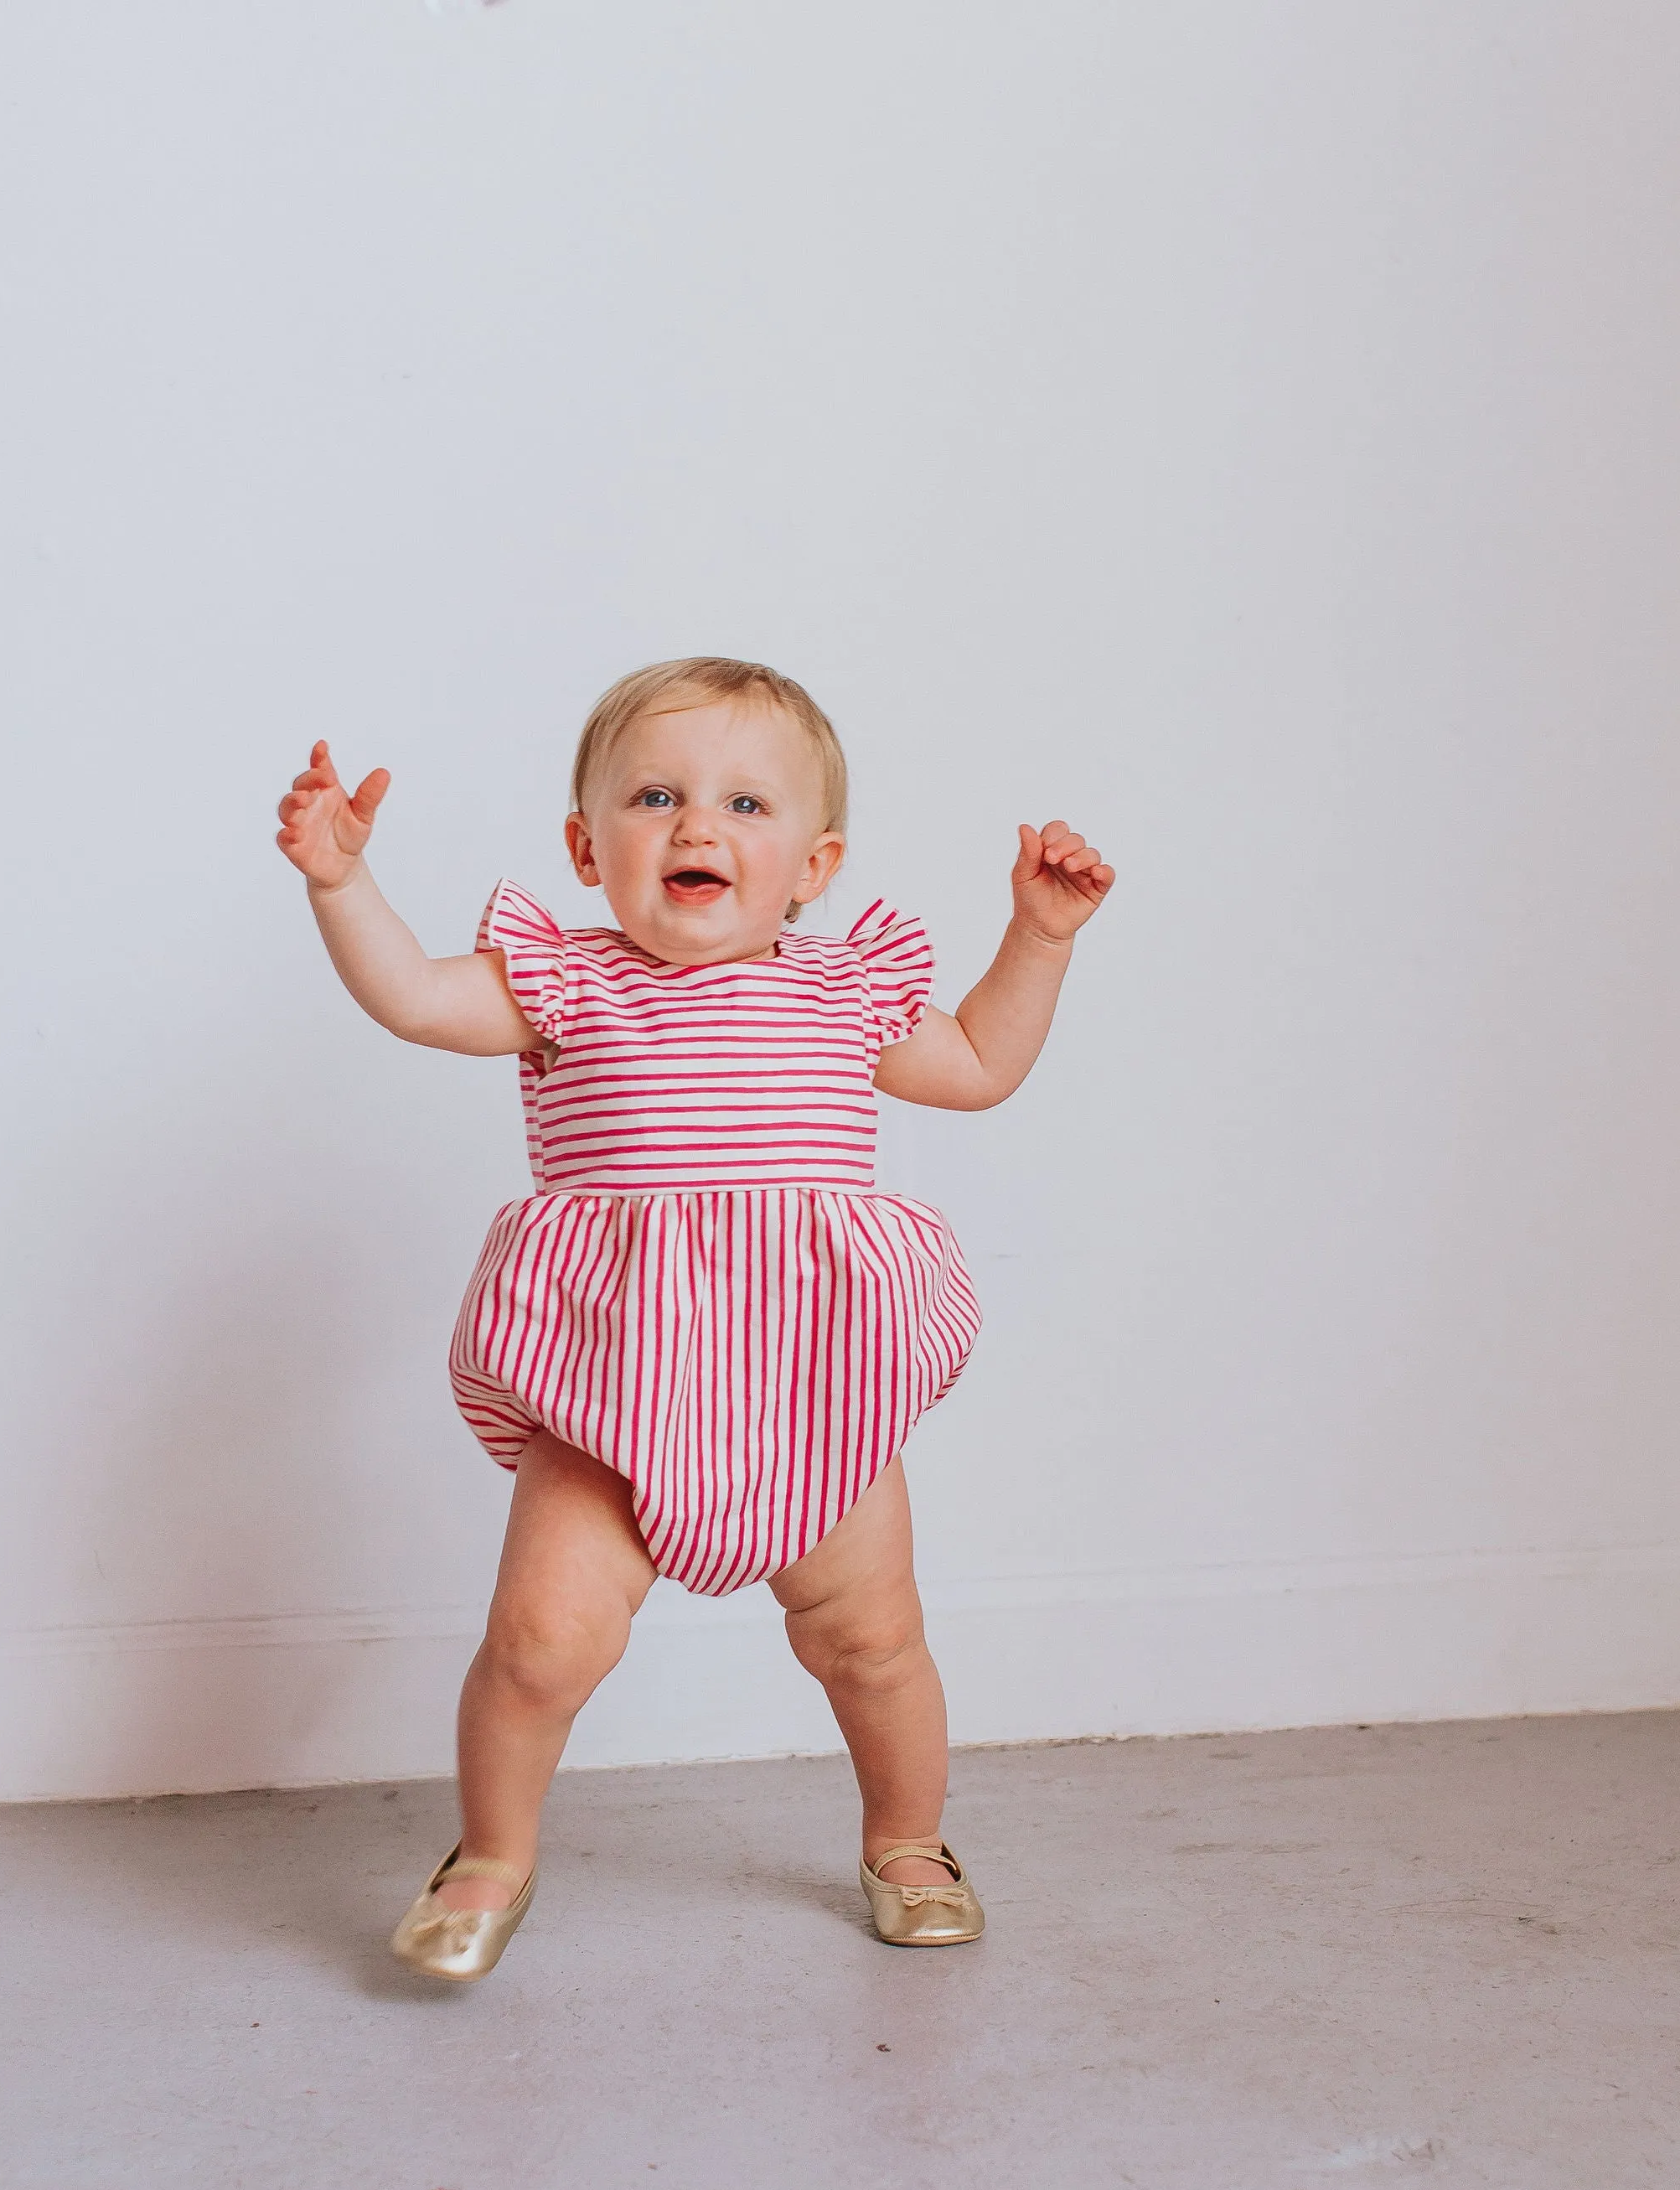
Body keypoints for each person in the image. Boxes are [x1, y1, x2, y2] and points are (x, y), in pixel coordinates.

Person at [276, 657, 1113, 1980]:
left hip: (810, 1389)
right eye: (654, 795)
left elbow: (978, 1067)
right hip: (609, 1390)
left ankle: (909, 1838)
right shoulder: (561, 985)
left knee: (871, 1639)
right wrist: (341, 885)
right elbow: (415, 999)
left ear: (815, 862)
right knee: (540, 1642)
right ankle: (490, 1852)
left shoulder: (844, 993)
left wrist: (1039, 939)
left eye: (744, 803)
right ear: (584, 844)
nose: (695, 826)